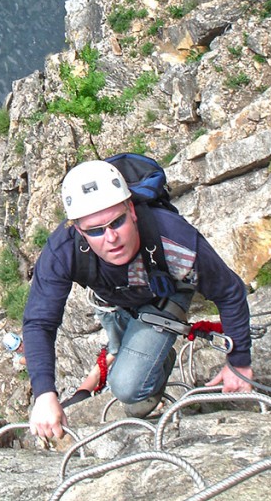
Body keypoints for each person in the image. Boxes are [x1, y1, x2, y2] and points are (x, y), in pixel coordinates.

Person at [22, 159, 254, 440]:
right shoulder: (64, 250)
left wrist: (238, 363)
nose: (111, 237)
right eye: (96, 230)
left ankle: (156, 353)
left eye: (117, 222)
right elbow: (39, 323)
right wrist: (45, 394)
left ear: (131, 210)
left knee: (129, 390)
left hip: (165, 290)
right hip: (114, 299)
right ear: (79, 231)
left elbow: (229, 291)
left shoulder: (172, 237)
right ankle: (143, 349)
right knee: (122, 353)